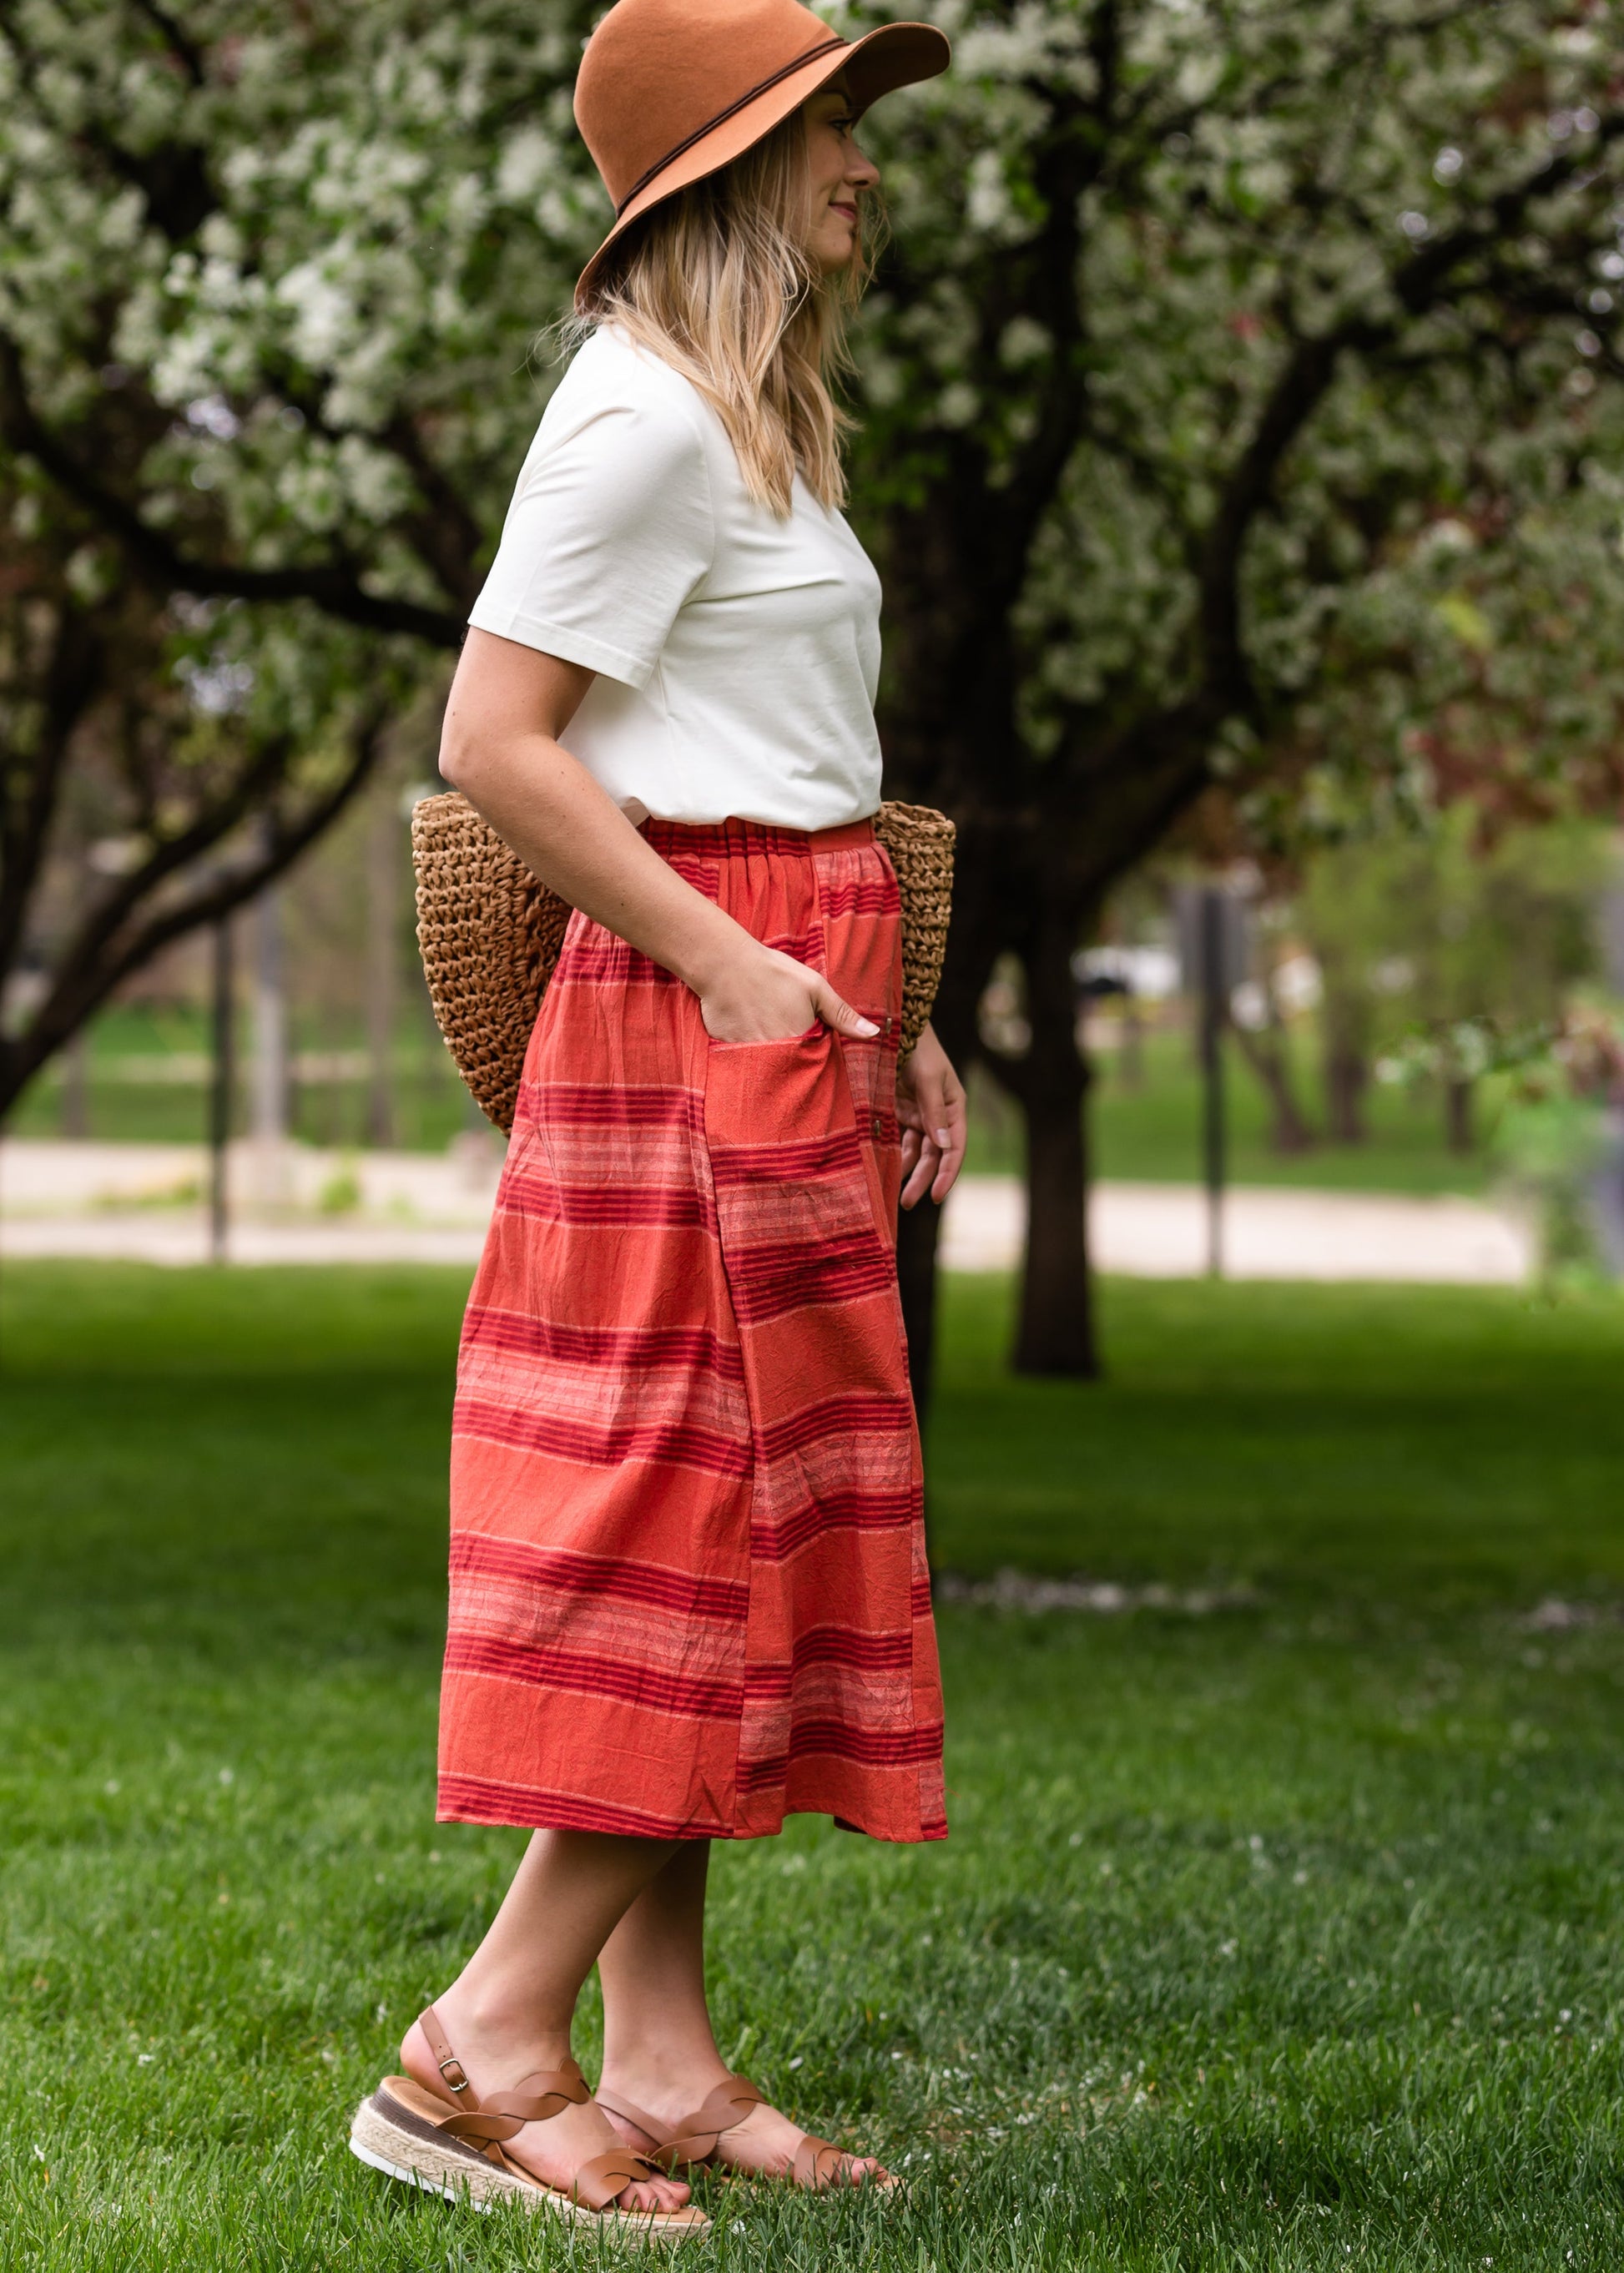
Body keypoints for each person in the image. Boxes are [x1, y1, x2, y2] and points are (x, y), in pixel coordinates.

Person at [348, 0, 963, 2236]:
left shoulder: (758, 426)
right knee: (681, 1537)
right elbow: (498, 736)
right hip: (691, 1003)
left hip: (795, 981)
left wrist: (905, 1003)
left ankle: (666, 2053)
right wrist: (723, 961)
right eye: (827, 137)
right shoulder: (632, 422)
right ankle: (475, 2045)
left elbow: (780, 735)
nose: (863, 171)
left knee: (752, 1529)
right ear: (721, 175)